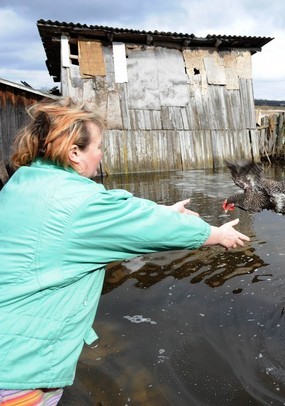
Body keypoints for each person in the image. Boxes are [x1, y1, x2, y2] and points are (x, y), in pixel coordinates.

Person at [0, 98, 250, 405]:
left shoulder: (24, 183)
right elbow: (136, 222)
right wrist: (216, 234)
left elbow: (114, 217)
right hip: (19, 370)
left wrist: (162, 209)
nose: (101, 155)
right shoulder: (80, 201)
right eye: (99, 146)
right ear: (75, 152)